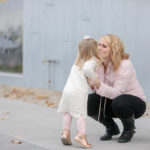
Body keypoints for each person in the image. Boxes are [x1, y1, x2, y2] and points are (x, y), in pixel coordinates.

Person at [87, 34, 146, 143]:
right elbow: (99, 93)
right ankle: (111, 128)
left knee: (119, 101)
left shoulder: (125, 65)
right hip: (115, 101)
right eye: (99, 45)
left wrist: (99, 83)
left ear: (113, 49)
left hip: (135, 104)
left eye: (104, 46)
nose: (99, 48)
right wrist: (91, 84)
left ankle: (129, 130)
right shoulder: (98, 65)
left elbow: (117, 94)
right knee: (89, 101)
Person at [58, 37, 101, 148]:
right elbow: (87, 70)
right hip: (78, 92)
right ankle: (81, 135)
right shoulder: (92, 61)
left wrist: (85, 40)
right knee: (81, 114)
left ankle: (65, 133)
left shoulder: (78, 60)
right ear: (94, 50)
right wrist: (95, 78)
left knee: (68, 112)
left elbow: (84, 45)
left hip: (67, 90)